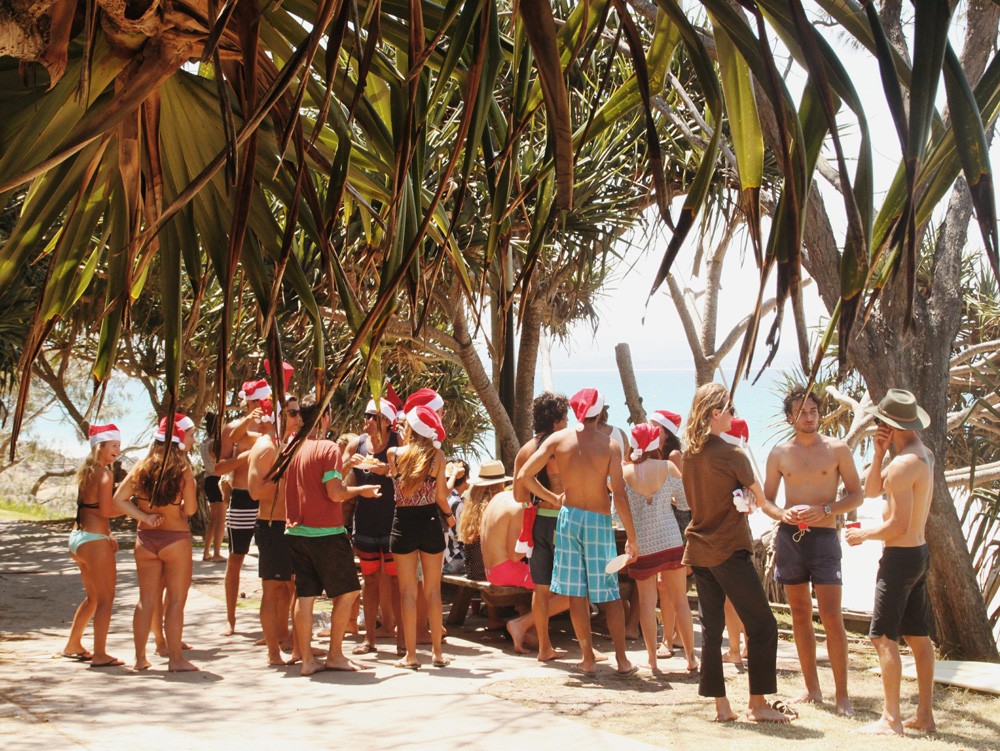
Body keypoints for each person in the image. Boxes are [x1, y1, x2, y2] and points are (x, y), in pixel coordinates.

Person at [682, 383, 789, 723]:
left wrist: (743, 498)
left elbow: (703, 500)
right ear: (715, 413)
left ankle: (721, 707)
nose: (734, 416)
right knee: (763, 626)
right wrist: (785, 515)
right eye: (730, 410)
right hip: (728, 549)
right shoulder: (733, 455)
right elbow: (764, 502)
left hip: (699, 550)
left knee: (712, 632)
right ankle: (757, 705)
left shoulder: (689, 453)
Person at [517, 387, 639, 676]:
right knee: (609, 593)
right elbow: (619, 495)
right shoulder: (610, 445)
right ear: (600, 412)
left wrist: (550, 498)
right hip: (597, 521)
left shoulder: (559, 440)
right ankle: (622, 660)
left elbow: (524, 476)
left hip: (568, 518)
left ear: (577, 412)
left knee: (576, 593)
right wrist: (632, 537)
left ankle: (587, 658)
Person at [761, 386, 862, 716]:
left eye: (814, 411)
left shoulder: (837, 448)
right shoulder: (779, 453)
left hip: (824, 540)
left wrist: (829, 510)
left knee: (832, 616)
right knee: (800, 614)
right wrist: (782, 515)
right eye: (802, 412)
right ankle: (811, 688)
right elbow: (767, 501)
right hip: (791, 538)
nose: (809, 417)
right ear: (790, 417)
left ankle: (843, 695)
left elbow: (856, 495)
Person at [846, 389, 936, 735]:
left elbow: (898, 524)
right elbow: (871, 492)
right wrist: (880, 452)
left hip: (900, 558)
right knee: (918, 636)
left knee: (883, 638)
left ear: (889, 423)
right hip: (919, 553)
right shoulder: (922, 454)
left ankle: (891, 718)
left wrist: (863, 535)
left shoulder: (903, 466)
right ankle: (925, 717)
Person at [284, 395, 381, 676]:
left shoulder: (293, 446)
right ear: (325, 417)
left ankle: (306, 661)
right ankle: (335, 655)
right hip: (324, 533)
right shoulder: (327, 447)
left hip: (295, 531)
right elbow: (335, 493)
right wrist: (360, 491)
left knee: (305, 596)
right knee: (349, 591)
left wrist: (347, 465)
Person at [113, 420, 198, 672]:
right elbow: (191, 509)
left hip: (146, 540)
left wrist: (146, 517)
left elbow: (119, 499)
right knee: (175, 602)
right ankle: (175, 660)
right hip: (175, 540)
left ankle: (140, 659)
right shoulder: (183, 470)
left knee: (146, 601)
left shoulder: (142, 467)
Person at [622, 423, 696, 673]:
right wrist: (667, 499)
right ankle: (690, 659)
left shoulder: (625, 473)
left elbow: (619, 512)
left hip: (642, 543)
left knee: (646, 603)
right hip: (670, 539)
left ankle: (652, 660)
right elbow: (685, 504)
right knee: (680, 600)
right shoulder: (668, 467)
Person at [387, 406, 455, 670]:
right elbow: (440, 497)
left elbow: (399, 485)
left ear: (411, 428)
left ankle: (411, 655)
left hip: (403, 523)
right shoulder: (438, 456)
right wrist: (449, 517)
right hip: (429, 522)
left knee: (407, 592)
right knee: (433, 591)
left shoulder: (394, 454)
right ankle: (437, 653)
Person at [512, 392, 572, 662]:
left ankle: (545, 648)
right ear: (557, 420)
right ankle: (585, 647)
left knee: (541, 587)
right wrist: (554, 497)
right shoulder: (561, 446)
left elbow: (518, 495)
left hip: (539, 523)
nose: (568, 421)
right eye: (566, 417)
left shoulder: (526, 449)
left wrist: (541, 496)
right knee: (574, 587)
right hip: (561, 521)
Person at [342, 395, 401, 656]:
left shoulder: (399, 443)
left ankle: (401, 638)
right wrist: (355, 480)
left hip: (394, 523)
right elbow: (338, 481)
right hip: (365, 523)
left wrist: (386, 470)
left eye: (373, 417)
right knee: (370, 579)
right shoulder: (357, 444)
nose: (367, 422)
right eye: (366, 416)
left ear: (387, 422)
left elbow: (412, 473)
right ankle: (370, 639)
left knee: (397, 580)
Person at [62, 424, 124, 667]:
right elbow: (107, 509)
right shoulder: (106, 474)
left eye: (118, 446)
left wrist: (108, 532)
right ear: (100, 446)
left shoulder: (86, 472)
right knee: (106, 599)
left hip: (78, 539)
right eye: (113, 446)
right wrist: (132, 509)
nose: (117, 450)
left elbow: (92, 508)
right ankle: (100, 654)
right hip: (94, 542)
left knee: (93, 598)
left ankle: (73, 645)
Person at [248, 395, 303, 665]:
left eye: (298, 413)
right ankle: (273, 652)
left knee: (292, 587)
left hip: (288, 525)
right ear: (279, 417)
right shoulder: (266, 448)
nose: (299, 418)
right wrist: (284, 475)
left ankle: (293, 644)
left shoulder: (284, 445)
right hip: (272, 526)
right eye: (293, 413)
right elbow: (256, 491)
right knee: (272, 589)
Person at [216, 379, 270, 635]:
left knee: (269, 560)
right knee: (236, 558)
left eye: (265, 401)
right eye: (257, 402)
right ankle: (230, 618)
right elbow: (218, 468)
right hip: (241, 498)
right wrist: (244, 458)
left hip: (267, 500)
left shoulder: (273, 428)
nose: (261, 406)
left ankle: (270, 619)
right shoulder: (233, 429)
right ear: (248, 403)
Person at [649, 408, 689, 659]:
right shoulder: (659, 455)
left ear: (665, 432)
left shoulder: (673, 455)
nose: (651, 431)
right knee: (665, 585)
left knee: (669, 584)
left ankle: (669, 639)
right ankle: (671, 636)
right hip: (668, 519)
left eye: (655, 427)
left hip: (678, 520)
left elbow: (681, 492)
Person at [200, 412, 226, 562]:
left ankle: (206, 552)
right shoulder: (215, 444)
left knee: (213, 519)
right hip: (217, 479)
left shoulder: (204, 443)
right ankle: (216, 553)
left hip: (208, 479)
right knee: (221, 519)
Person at [442, 459, 470, 575]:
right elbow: (463, 537)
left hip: (441, 559)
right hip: (454, 559)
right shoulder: (457, 503)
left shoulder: (443, 497)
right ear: (466, 478)